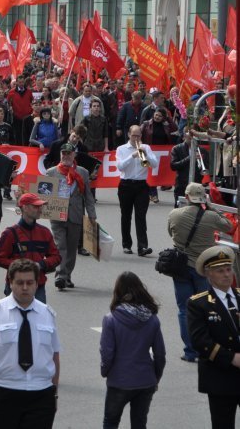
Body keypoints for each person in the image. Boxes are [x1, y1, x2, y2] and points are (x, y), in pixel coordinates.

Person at [0, 259, 60, 428]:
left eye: (30, 282)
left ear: (37, 283)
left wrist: (54, 394)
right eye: (19, 282)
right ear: (10, 283)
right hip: (3, 393)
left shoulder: (47, 314)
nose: (25, 287)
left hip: (40, 395)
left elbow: (54, 356)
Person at [166, 182, 232, 362]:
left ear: (186, 197)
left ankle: (190, 351)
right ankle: (207, 349)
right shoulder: (211, 216)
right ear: (203, 197)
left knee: (184, 309)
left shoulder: (175, 214)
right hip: (204, 268)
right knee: (207, 307)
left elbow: (170, 232)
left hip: (181, 266)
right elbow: (228, 226)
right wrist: (211, 207)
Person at [99, 271, 166, 429]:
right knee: (139, 423)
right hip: (145, 380)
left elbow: (107, 353)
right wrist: (155, 377)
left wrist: (105, 371)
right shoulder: (152, 319)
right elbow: (160, 354)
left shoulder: (111, 319)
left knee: (110, 421)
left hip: (119, 380)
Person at [188, 245, 240, 428]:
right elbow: (200, 341)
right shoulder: (199, 303)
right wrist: (232, 358)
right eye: (220, 271)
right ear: (208, 274)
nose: (227, 274)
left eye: (228, 269)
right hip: (221, 378)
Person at [44, 142, 96, 291]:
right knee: (61, 245)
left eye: (69, 153)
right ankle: (60, 276)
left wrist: (91, 215)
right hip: (57, 216)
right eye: (64, 154)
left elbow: (88, 196)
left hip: (75, 215)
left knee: (72, 248)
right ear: (60, 155)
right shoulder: (51, 172)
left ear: (74, 155)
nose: (66, 156)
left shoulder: (83, 172)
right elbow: (45, 194)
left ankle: (67, 276)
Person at [0, 193, 61, 303]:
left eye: (40, 206)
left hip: (38, 285)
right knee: (13, 319)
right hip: (15, 284)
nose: (40, 209)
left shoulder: (45, 232)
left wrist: (41, 265)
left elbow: (56, 257)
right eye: (36, 206)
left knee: (38, 320)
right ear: (25, 208)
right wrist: (20, 267)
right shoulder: (9, 233)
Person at [116, 125, 159, 256]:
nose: (136, 138)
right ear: (129, 135)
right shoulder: (121, 149)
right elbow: (120, 166)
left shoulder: (146, 147)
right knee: (126, 215)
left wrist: (144, 153)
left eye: (139, 135)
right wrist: (133, 155)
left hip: (141, 185)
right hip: (126, 185)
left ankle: (143, 247)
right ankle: (127, 244)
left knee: (141, 216)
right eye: (134, 135)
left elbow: (153, 164)